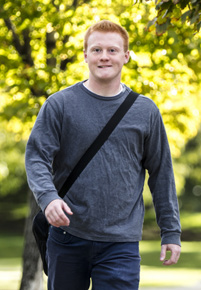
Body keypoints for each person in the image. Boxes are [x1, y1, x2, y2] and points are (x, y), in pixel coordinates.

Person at [25, 20, 181, 290]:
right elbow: (37, 157)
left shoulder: (145, 111)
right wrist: (48, 199)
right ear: (85, 55)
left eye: (112, 50)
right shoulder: (59, 105)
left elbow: (161, 173)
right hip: (66, 236)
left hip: (121, 243)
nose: (104, 57)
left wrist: (171, 231)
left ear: (126, 56)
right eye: (96, 50)